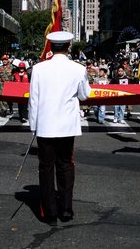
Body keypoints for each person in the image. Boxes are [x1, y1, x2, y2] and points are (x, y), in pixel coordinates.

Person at [28, 31, 91, 226]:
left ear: (51, 47)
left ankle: (49, 213)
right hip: (66, 126)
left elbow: (34, 99)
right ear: (68, 47)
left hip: (45, 126)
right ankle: (66, 209)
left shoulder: (38, 69)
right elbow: (84, 95)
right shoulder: (78, 68)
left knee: (46, 168)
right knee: (65, 165)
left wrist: (33, 125)